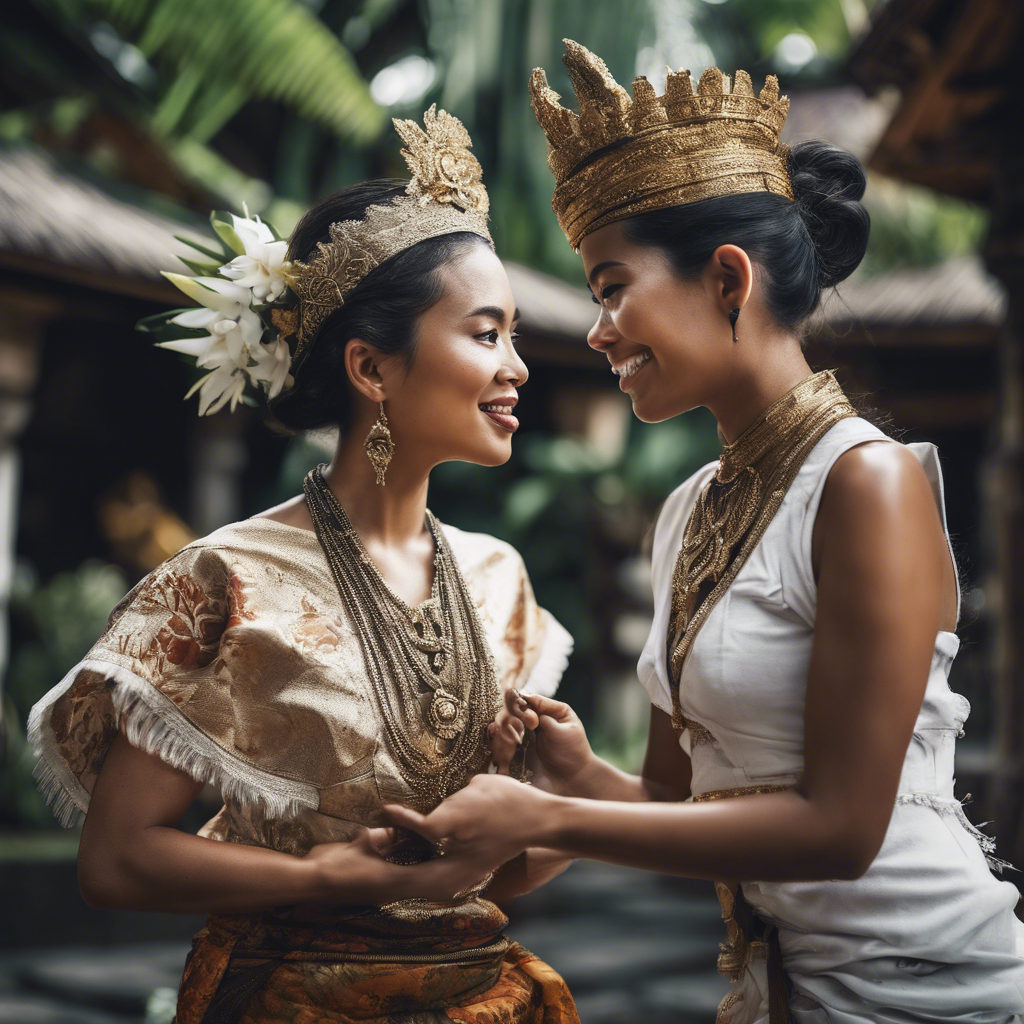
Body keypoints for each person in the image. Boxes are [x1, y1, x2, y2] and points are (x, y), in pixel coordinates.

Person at [384, 43, 1024, 1023]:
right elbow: (681, 805)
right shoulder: (687, 509)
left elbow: (840, 831)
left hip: (927, 987)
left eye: (611, 286)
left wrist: (550, 817)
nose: (597, 328)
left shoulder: (866, 481)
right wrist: (581, 779)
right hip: (786, 986)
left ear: (728, 278)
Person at [27, 106, 578, 1024]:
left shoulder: (497, 577)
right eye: (487, 335)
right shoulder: (227, 580)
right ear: (371, 368)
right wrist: (325, 876)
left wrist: (554, 801)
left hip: (483, 995)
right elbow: (116, 861)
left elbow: (495, 878)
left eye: (514, 335)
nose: (517, 366)